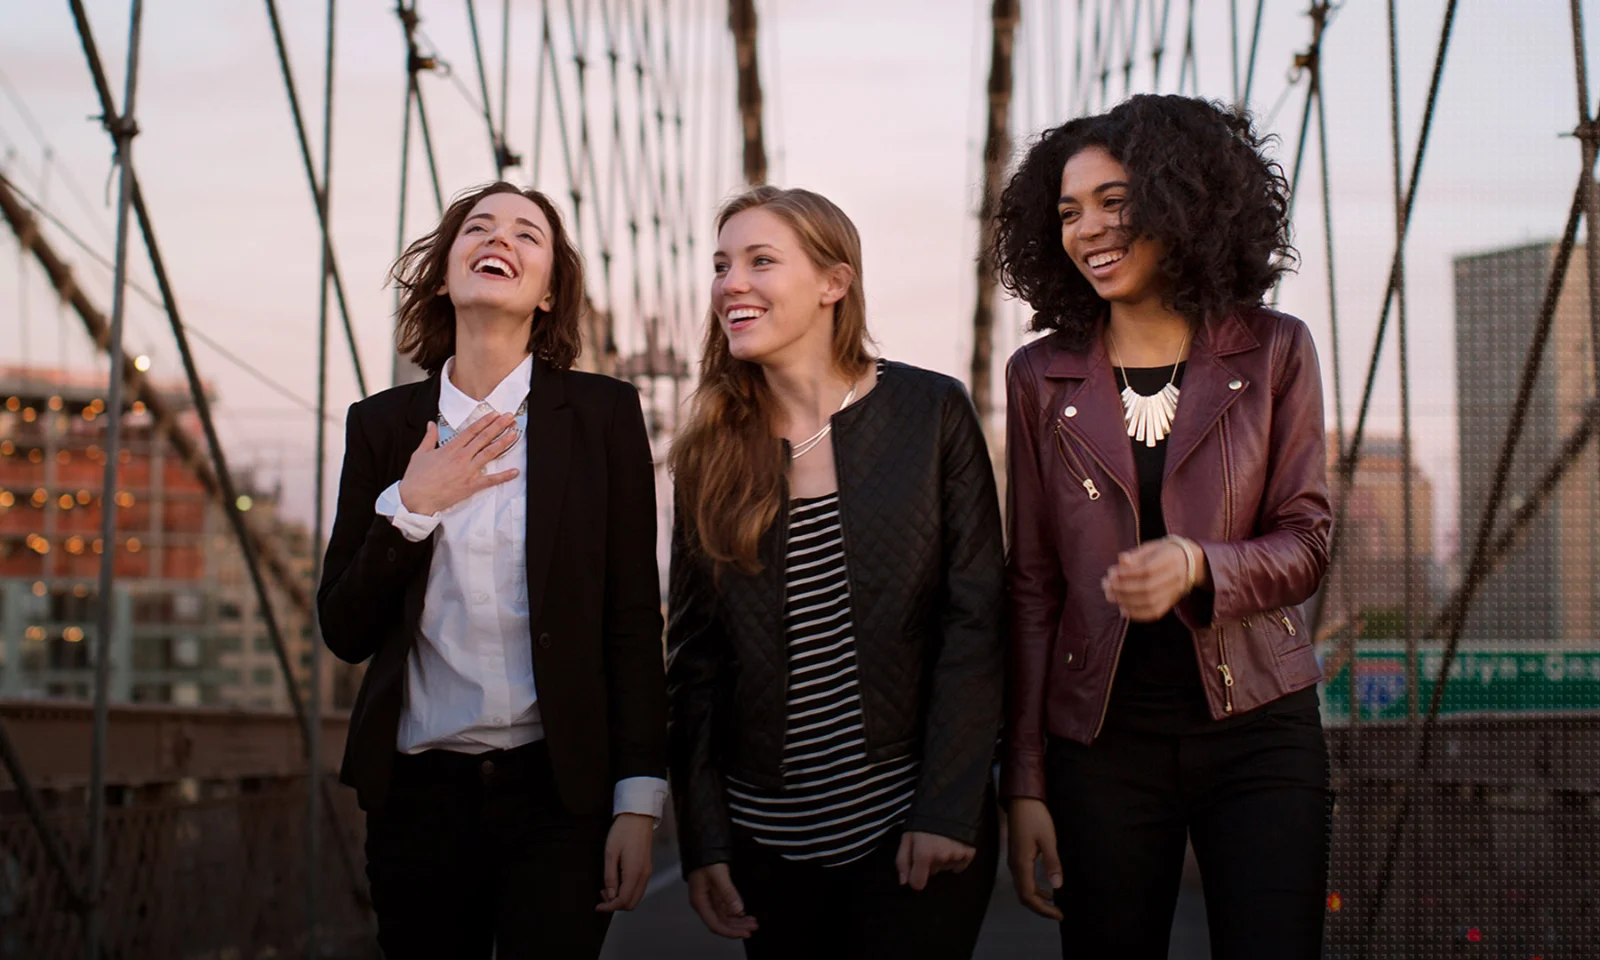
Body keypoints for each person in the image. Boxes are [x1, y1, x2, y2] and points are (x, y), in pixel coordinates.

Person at [992, 94, 1333, 959]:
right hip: (1100, 745)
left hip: (1261, 726)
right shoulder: (1038, 375)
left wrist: (1198, 564)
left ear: (1186, 199)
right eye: (1069, 211)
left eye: (1115, 201)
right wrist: (1025, 782)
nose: (1088, 229)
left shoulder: (1274, 348)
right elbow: (1031, 586)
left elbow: (1307, 540)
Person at [318, 181, 667, 959]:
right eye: (477, 228)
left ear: (548, 294)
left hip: (561, 793)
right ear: (445, 275)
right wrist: (410, 507)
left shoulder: (604, 416)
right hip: (416, 799)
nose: (498, 240)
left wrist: (638, 802)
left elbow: (633, 620)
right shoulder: (380, 426)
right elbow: (344, 629)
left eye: (526, 235)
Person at [666, 185, 1004, 959]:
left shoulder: (932, 413)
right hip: (766, 849)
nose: (730, 284)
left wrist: (949, 808)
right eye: (720, 265)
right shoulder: (709, 453)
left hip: (909, 832)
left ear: (832, 283)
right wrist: (706, 841)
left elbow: (976, 620)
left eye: (759, 261)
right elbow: (696, 664)